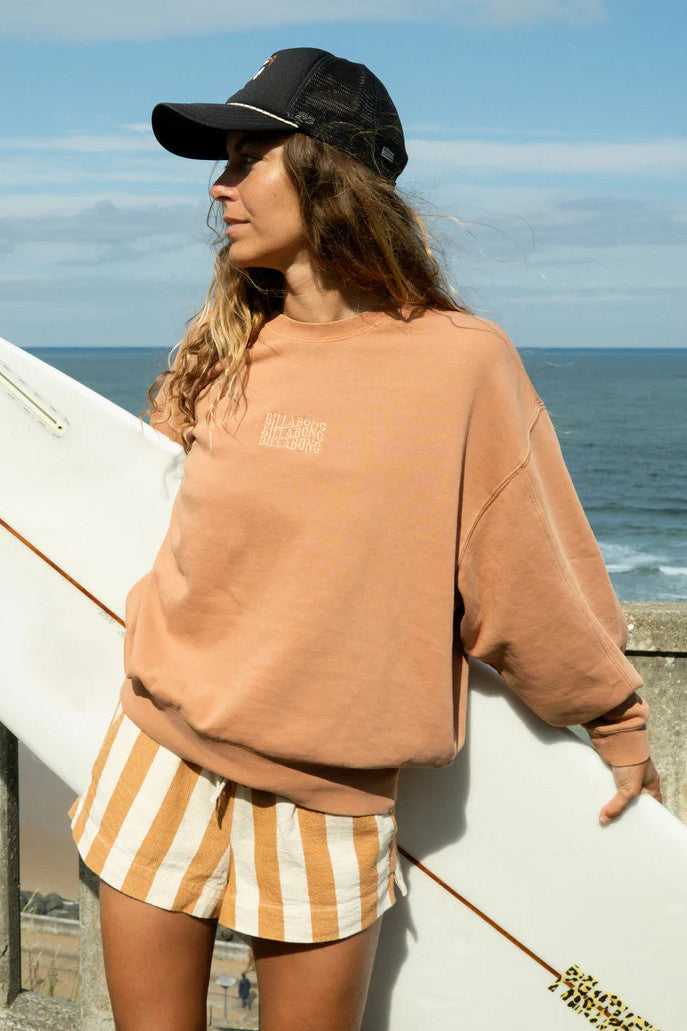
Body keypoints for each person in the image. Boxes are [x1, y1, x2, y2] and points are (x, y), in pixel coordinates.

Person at [67, 46, 662, 1031]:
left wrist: (612, 715)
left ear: (330, 170)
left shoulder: (461, 365)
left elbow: (524, 567)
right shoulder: (228, 341)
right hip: (157, 749)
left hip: (326, 793)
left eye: (248, 155)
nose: (219, 187)